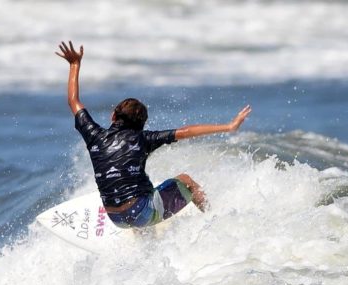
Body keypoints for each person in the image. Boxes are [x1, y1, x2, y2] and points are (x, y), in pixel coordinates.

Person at [56, 41, 252, 229]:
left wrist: (74, 65)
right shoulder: (145, 138)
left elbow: (73, 101)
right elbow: (186, 132)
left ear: (113, 115)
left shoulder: (94, 135)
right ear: (142, 125)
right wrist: (228, 126)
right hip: (142, 213)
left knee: (141, 187)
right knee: (186, 181)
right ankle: (214, 220)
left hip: (115, 218)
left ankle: (143, 237)